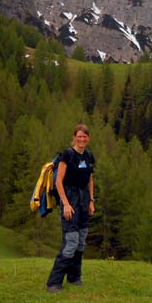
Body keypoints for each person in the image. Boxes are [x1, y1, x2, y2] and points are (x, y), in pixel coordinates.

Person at [46, 124, 96, 292]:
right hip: (70, 201)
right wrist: (65, 204)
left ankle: (75, 277)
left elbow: (90, 180)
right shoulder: (67, 156)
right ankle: (54, 282)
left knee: (81, 241)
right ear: (74, 137)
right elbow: (58, 181)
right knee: (71, 242)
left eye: (85, 136)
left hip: (83, 202)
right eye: (79, 136)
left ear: (88, 138)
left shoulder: (89, 156)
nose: (82, 139)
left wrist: (91, 201)